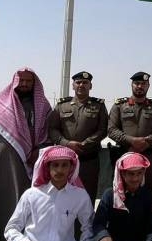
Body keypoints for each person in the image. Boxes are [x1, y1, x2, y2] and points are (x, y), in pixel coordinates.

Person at [0, 68, 53, 241]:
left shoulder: (43, 107)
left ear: (34, 84)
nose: (24, 84)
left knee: (20, 203)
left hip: (24, 166)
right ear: (14, 82)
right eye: (21, 81)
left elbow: (49, 135)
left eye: (28, 81)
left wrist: (39, 151)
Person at [47, 71, 109, 200]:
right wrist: (67, 143)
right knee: (62, 194)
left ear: (90, 86)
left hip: (89, 160)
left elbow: (103, 130)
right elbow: (52, 129)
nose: (81, 85)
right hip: (65, 160)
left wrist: (84, 144)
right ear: (73, 85)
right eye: (78, 82)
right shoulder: (62, 105)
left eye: (85, 83)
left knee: (87, 195)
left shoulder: (99, 105)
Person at [107, 71, 152, 192]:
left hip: (148, 155)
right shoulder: (119, 106)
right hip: (124, 153)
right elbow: (111, 129)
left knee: (150, 191)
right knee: (122, 191)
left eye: (143, 84)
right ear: (132, 85)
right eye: (137, 83)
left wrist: (147, 142)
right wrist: (131, 141)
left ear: (148, 86)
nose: (140, 86)